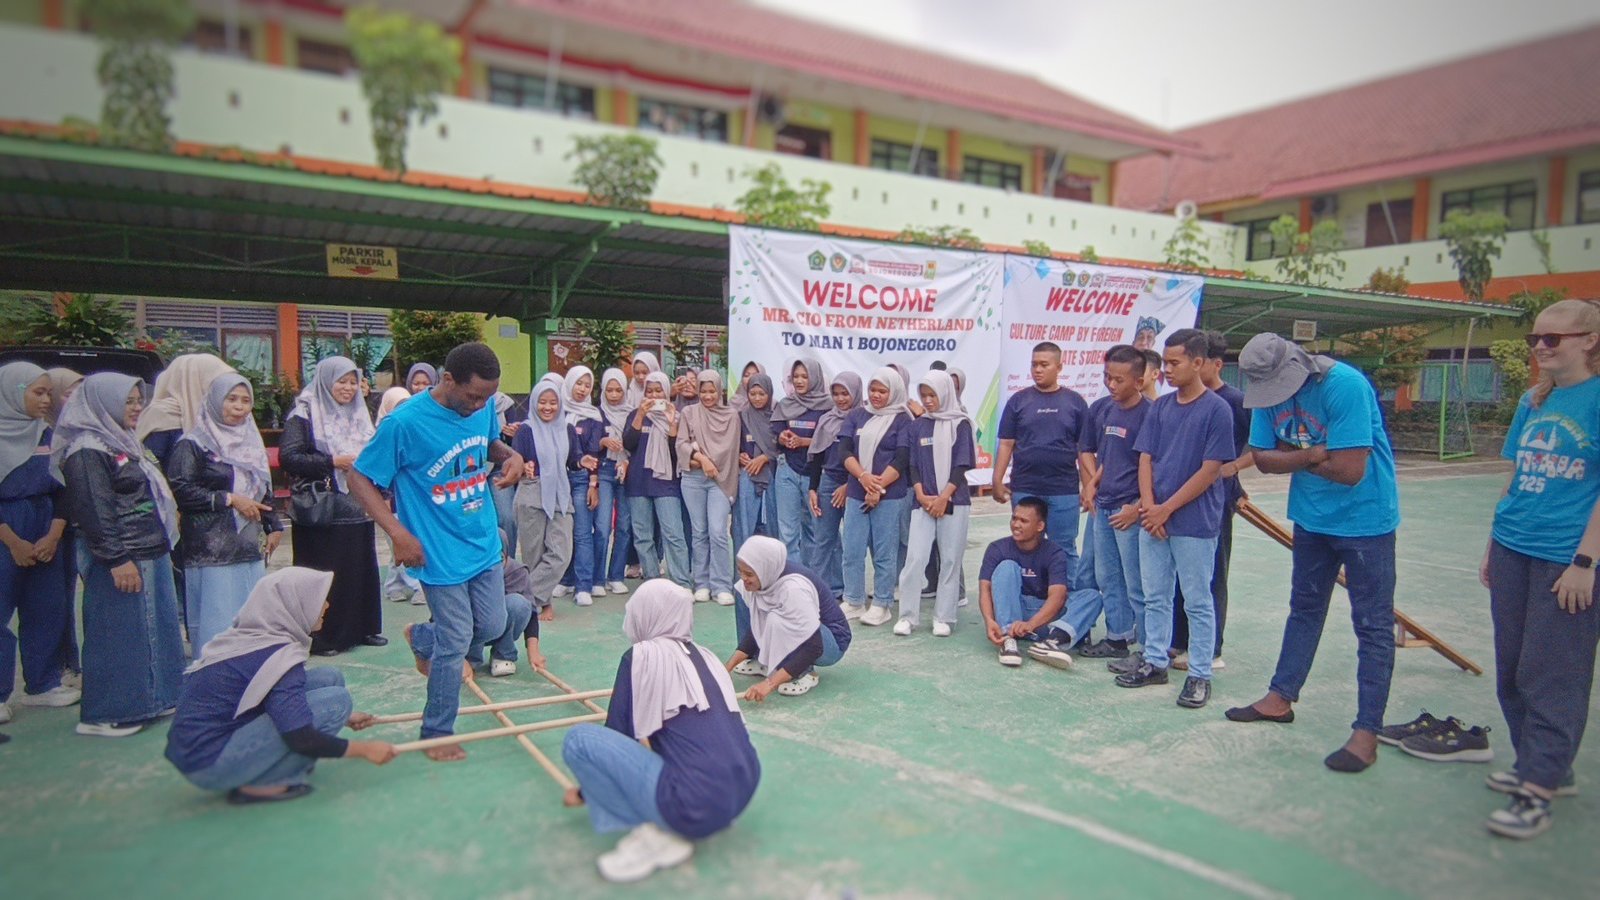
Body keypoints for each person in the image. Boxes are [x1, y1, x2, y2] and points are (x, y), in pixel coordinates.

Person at [1225, 332, 1399, 774]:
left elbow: (1350, 470)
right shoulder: (1265, 394)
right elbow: (1262, 458)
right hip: (1311, 518)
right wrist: (1318, 451)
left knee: (1372, 624)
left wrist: (1297, 456)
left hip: (1366, 522)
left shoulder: (1345, 386)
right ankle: (1280, 697)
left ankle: (1366, 731)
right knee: (1303, 608)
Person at [348, 342, 524, 762]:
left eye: (487, 398)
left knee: (495, 622)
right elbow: (359, 478)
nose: (480, 405)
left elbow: (487, 443)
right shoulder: (404, 423)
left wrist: (511, 454)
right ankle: (438, 730)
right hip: (436, 550)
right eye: (473, 396)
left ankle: (422, 636)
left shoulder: (479, 409)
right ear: (448, 380)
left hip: (481, 540)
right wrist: (397, 534)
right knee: (457, 640)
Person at [1476, 300, 1600, 838]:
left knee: (1552, 674)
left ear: (1590, 340)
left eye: (1554, 338)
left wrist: (1585, 561)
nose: (1541, 347)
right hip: (1512, 546)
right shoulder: (1534, 400)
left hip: (1563, 557)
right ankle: (1545, 766)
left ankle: (1537, 791)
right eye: (1535, 339)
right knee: (1512, 667)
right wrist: (1491, 542)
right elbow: (1517, 476)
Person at [561, 580, 760, 883]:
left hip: (693, 804)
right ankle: (690, 813)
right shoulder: (707, 657)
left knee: (579, 741)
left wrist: (587, 792)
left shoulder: (641, 656)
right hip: (742, 791)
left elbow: (619, 735)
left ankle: (658, 829)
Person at [164, 568, 396, 802]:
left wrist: (347, 718)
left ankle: (270, 767)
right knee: (336, 702)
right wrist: (365, 750)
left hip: (198, 749)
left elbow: (268, 698)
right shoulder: (279, 655)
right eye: (318, 599)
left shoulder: (252, 636)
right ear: (293, 604)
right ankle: (265, 783)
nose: (326, 605)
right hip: (210, 763)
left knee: (329, 678)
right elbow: (300, 737)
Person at [55, 372, 185, 737]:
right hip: (124, 553)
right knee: (120, 633)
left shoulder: (120, 440)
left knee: (154, 629)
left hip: (149, 547)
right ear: (103, 402)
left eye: (137, 400)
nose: (136, 407)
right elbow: (95, 510)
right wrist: (116, 558)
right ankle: (111, 711)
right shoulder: (87, 449)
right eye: (127, 401)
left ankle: (156, 698)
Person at [1115, 330, 1236, 710]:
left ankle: (1200, 673)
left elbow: (1211, 469)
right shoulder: (1161, 408)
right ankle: (1155, 661)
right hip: (1155, 521)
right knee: (1156, 596)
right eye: (1164, 363)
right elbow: (1146, 458)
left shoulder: (1217, 410)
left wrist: (1165, 509)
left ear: (1198, 363)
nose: (1165, 370)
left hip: (1194, 523)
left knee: (1197, 601)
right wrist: (1149, 507)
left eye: (1173, 363)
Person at [1028, 346, 1148, 669]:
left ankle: (1149, 649)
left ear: (1139, 381)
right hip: (1104, 508)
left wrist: (1137, 508)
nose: (1111, 384)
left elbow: (1155, 468)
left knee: (1136, 583)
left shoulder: (1150, 414)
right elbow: (1104, 456)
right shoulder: (1103, 409)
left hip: (1129, 512)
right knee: (1105, 576)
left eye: (1119, 380)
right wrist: (1092, 484)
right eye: (1107, 377)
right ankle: (1118, 637)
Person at [165, 372, 282, 656]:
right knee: (217, 622)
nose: (239, 407)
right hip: (212, 549)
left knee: (250, 617)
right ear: (215, 401)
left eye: (245, 400)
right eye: (231, 399)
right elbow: (181, 489)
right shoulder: (193, 444)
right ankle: (214, 679)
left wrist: (273, 525)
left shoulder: (250, 441)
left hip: (247, 545)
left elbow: (262, 485)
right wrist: (228, 499)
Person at [279, 357, 384, 656]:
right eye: (341, 381)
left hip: (357, 503)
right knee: (324, 572)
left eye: (353, 381)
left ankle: (363, 629)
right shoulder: (305, 413)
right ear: (325, 381)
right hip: (322, 508)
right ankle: (324, 637)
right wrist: (332, 462)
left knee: (359, 567)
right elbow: (290, 457)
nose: (348, 388)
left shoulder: (359, 414)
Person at [1, 362, 78, 727]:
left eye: (49, 392)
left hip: (46, 523)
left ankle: (43, 683)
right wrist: (13, 540)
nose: (47, 400)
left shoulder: (48, 435)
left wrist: (54, 533)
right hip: (7, 527)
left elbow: (66, 490)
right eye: (38, 392)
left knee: (46, 606)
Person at [1171, 330, 1253, 672]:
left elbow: (1261, 446)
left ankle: (1211, 648)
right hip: (1183, 494)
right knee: (1180, 571)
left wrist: (1231, 468)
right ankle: (1178, 640)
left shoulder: (1233, 402)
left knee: (1212, 572)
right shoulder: (1179, 403)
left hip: (1218, 497)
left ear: (1211, 363)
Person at [991, 342, 1092, 591]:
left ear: (1059, 367)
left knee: (1064, 547)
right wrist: (996, 479)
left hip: (1063, 489)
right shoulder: (1018, 401)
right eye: (1034, 364)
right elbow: (1006, 444)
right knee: (1025, 545)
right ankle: (1028, 601)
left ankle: (1069, 605)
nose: (1037, 369)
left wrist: (1089, 487)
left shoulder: (1076, 403)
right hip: (1025, 487)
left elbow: (1084, 450)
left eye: (1044, 365)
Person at [893, 371, 974, 637]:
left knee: (950, 559)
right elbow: (913, 465)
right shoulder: (918, 426)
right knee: (915, 558)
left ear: (946, 393)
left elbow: (962, 465)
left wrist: (944, 497)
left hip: (954, 502)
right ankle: (907, 616)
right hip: (924, 503)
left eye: (932, 395)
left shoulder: (960, 424)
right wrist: (921, 494)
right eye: (923, 395)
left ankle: (944, 617)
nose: (927, 401)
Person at [726, 536, 851, 697]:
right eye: (739, 571)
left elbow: (814, 646)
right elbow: (757, 626)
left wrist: (769, 684)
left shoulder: (793, 589)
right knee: (760, 608)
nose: (743, 578)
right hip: (813, 637)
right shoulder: (768, 575)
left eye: (749, 574)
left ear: (764, 569)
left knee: (776, 618)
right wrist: (726, 667)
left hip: (830, 644)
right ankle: (766, 660)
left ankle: (805, 673)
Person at [839, 367, 914, 626]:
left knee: (884, 551)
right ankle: (854, 600)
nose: (877, 395)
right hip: (857, 491)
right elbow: (844, 450)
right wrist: (863, 478)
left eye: (883, 391)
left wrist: (877, 487)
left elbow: (902, 457)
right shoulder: (856, 415)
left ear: (894, 392)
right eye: (873, 390)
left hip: (890, 495)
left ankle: (882, 603)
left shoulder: (904, 420)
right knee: (852, 548)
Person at [511, 374, 579, 607]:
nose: (547, 407)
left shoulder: (567, 429)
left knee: (561, 553)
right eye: (542, 401)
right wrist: (524, 467)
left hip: (561, 493)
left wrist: (585, 462)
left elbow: (574, 460)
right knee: (533, 555)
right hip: (532, 492)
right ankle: (542, 603)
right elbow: (516, 460)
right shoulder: (525, 430)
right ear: (534, 402)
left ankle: (523, 599)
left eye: (553, 402)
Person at [978, 498, 1071, 667]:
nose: (1016, 524)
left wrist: (1031, 624)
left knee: (1091, 596)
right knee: (1006, 567)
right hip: (1011, 610)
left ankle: (1052, 642)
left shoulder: (1054, 552)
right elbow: (985, 589)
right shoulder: (997, 548)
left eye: (1024, 521)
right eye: (1014, 518)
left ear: (1040, 526)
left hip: (1041, 617)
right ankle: (1008, 639)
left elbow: (1057, 596)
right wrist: (989, 621)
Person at [677, 370, 740, 606]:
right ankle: (701, 583)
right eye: (703, 391)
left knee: (718, 531)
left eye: (712, 391)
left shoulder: (731, 415)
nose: (707, 396)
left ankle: (721, 585)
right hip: (693, 479)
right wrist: (701, 460)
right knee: (699, 532)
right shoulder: (689, 413)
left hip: (720, 480)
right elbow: (680, 444)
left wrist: (708, 463)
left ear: (720, 391)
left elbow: (729, 450)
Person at [623, 371, 690, 587]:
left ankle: (681, 582)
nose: (653, 395)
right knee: (642, 536)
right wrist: (640, 416)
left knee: (673, 534)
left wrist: (671, 425)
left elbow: (677, 453)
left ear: (667, 392)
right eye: (649, 391)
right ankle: (652, 581)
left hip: (666, 483)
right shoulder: (634, 414)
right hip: (638, 482)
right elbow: (628, 444)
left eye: (658, 390)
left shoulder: (678, 416)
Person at [383, 365, 440, 605]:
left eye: (425, 382)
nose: (419, 388)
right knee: (398, 542)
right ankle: (398, 584)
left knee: (416, 541)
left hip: (418, 497)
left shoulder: (430, 424)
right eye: (415, 382)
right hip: (392, 499)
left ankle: (415, 586)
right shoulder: (388, 429)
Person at [805, 372, 862, 601]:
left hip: (856, 485)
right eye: (836, 394)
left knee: (853, 541)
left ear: (856, 392)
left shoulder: (864, 419)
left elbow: (868, 458)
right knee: (823, 539)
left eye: (845, 393)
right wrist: (813, 488)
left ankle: (849, 591)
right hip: (828, 483)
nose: (840, 399)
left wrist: (849, 485)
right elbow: (817, 456)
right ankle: (817, 592)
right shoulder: (827, 419)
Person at [45, 367, 85, 684]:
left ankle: (74, 660)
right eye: (68, 393)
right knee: (47, 602)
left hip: (74, 528)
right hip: (37, 528)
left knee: (69, 597)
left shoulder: (84, 431)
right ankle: (55, 666)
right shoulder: (41, 432)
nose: (74, 400)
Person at [771, 357, 831, 564]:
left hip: (816, 474)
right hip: (787, 470)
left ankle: (818, 580)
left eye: (804, 376)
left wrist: (804, 441)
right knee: (787, 531)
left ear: (814, 378)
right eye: (795, 376)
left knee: (817, 529)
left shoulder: (827, 406)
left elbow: (831, 439)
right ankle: (794, 579)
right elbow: (776, 431)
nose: (799, 381)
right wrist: (782, 438)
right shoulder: (785, 404)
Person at [135, 353, 236, 468]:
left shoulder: (215, 412)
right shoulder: (161, 415)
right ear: (194, 381)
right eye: (214, 382)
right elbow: (152, 467)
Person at [560, 365, 608, 605]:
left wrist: (593, 484)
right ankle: (565, 580)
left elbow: (593, 453)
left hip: (581, 480)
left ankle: (584, 586)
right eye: (578, 383)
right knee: (562, 531)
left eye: (587, 385)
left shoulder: (594, 416)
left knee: (582, 533)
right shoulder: (555, 410)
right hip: (557, 480)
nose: (582, 389)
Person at [732, 372, 779, 562]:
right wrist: (739, 456)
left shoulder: (777, 416)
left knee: (772, 530)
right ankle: (742, 583)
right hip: (747, 476)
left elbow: (782, 446)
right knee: (744, 527)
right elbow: (733, 443)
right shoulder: (741, 416)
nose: (757, 398)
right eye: (753, 394)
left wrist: (766, 457)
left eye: (762, 394)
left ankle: (772, 578)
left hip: (772, 478)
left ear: (769, 393)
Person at [596, 367, 633, 595]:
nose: (614, 395)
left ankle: (616, 574)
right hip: (604, 471)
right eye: (609, 390)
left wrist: (627, 460)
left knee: (625, 526)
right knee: (602, 526)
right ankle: (597, 578)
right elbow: (588, 444)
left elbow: (637, 442)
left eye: (619, 390)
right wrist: (603, 442)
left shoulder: (632, 414)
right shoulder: (596, 414)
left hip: (627, 471)